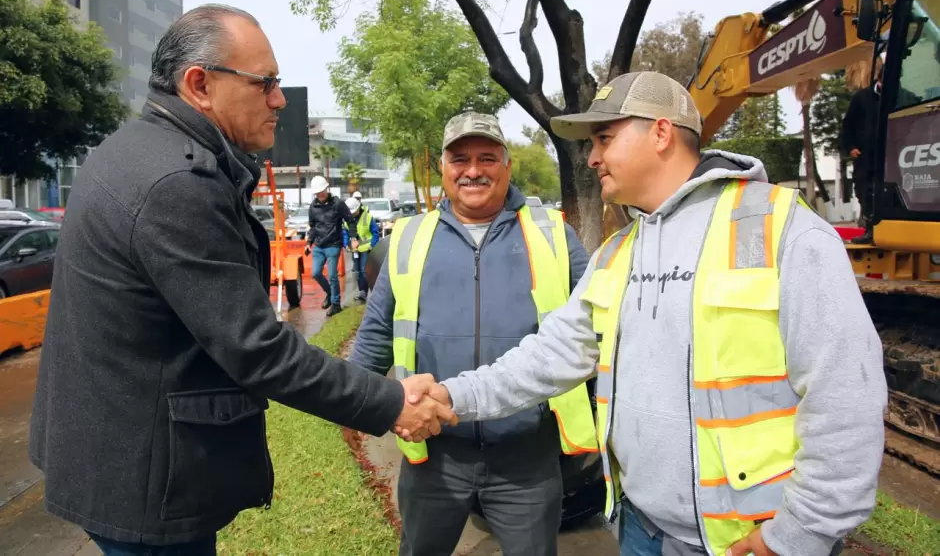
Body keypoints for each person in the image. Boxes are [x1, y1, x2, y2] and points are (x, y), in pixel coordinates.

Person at [28, 4, 457, 556]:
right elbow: (257, 348)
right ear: (200, 84)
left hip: (111, 453)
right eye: (266, 83)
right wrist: (389, 400)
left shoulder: (134, 149)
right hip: (145, 475)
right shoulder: (175, 184)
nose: (279, 99)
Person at [410, 72, 887, 556]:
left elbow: (846, 397)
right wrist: (450, 394)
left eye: (605, 138)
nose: (592, 157)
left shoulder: (781, 230)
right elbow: (547, 357)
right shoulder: (618, 254)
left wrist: (797, 536)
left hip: (748, 540)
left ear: (660, 134)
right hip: (641, 530)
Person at [351, 112, 594, 556]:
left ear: (507, 166)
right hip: (435, 456)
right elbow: (375, 335)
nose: (473, 170)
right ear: (442, 169)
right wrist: (350, 405)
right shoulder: (409, 238)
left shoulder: (553, 235)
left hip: (526, 457)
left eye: (487, 158)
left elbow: (597, 327)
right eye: (460, 159)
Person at [841, 59, 883, 244]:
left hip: (891, 154)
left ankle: (883, 227)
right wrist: (851, 147)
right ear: (880, 79)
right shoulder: (861, 98)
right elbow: (848, 125)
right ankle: (869, 229)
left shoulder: (903, 96)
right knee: (865, 190)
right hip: (866, 155)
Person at [304, 175, 357, 315]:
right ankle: (329, 293)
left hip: (333, 244)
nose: (320, 194)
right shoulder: (313, 207)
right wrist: (309, 242)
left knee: (333, 275)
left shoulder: (338, 204)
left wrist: (353, 238)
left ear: (327, 189)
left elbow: (350, 221)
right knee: (315, 273)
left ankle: (335, 304)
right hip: (319, 245)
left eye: (322, 191)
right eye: (317, 192)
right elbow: (313, 226)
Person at [342, 196, 380, 302]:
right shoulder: (347, 220)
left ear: (359, 208)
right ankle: (362, 291)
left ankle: (365, 291)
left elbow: (375, 233)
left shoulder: (367, 217)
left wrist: (372, 245)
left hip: (366, 249)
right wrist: (346, 244)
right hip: (355, 250)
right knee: (358, 272)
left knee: (364, 270)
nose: (352, 214)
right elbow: (345, 233)